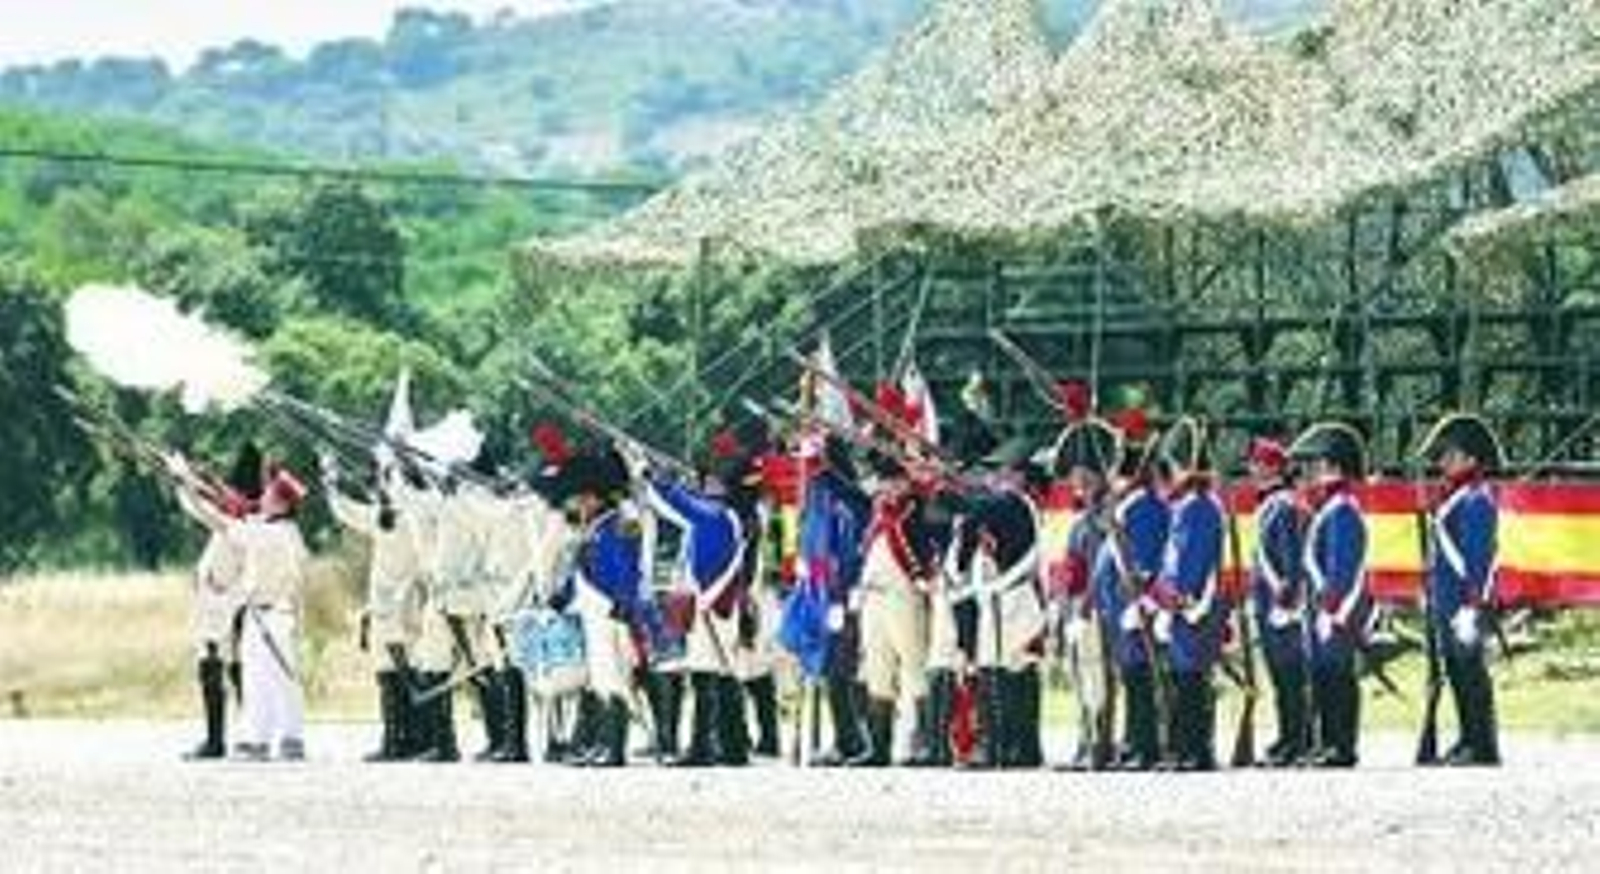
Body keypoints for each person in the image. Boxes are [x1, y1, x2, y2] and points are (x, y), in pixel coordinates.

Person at [172, 457, 311, 762]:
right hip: (265, 615)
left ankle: (282, 739)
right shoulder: (281, 529)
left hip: (270, 614)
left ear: (283, 505)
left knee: (272, 681)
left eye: (271, 495)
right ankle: (266, 740)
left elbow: (219, 521)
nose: (264, 497)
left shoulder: (271, 532)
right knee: (264, 681)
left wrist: (186, 483)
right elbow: (230, 509)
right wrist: (197, 484)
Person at [323, 452, 427, 763]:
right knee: (406, 671)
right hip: (410, 604)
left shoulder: (392, 518)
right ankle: (410, 738)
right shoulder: (418, 513)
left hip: (391, 606)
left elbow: (344, 510)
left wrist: (330, 480)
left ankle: (397, 741)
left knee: (391, 672)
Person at [1418, 413, 1504, 766]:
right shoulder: (1456, 498)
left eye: (1451, 456)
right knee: (1456, 671)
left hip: (1465, 604)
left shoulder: (1475, 499)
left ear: (1471, 459)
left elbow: (1479, 559)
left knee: (1471, 674)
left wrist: (1473, 605)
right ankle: (1467, 738)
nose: (1443, 462)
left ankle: (1481, 744)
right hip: (1449, 602)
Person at [1288, 422, 1373, 768]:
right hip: (1324, 608)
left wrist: (1332, 607)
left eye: (1321, 463)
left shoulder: (1342, 511)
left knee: (1338, 676)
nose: (1315, 471)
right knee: (1325, 677)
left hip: (1335, 609)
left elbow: (1342, 567)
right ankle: (1328, 742)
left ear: (1336, 466)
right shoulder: (1332, 508)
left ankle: (1341, 745)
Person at [1093, 415, 1170, 771]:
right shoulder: (1125, 506)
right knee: (1130, 676)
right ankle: (1133, 741)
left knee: (1141, 678)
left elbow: (1147, 561)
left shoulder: (1146, 507)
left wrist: (1141, 598)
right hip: (1118, 605)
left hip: (1134, 604)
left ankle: (1146, 745)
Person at [1150, 417, 1226, 772]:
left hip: (1193, 604)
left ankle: (1196, 750)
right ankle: (1184, 748)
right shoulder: (1188, 505)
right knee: (1182, 677)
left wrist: (1179, 595)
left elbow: (1192, 558)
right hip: (1178, 602)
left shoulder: (1199, 506)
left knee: (1192, 677)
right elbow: (1172, 556)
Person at [180, 443, 260, 761]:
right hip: (222, 604)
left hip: (221, 606)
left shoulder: (237, 523)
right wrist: (192, 481)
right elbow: (207, 504)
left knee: (216, 668)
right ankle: (243, 735)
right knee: (231, 669)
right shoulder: (244, 518)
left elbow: (199, 509)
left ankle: (220, 741)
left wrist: (183, 480)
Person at [1049, 417, 1121, 770]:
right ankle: (1087, 738)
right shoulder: (1082, 519)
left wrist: (1085, 607)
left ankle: (1100, 742)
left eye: (1079, 473)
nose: (1074, 481)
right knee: (1084, 676)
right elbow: (1072, 564)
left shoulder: (1109, 514)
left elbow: (1103, 566)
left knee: (1099, 676)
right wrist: (1064, 606)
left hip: (1101, 606)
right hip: (1080, 606)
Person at [1244, 437, 1310, 768]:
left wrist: (1287, 597)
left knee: (1289, 676)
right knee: (1280, 676)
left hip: (1281, 605)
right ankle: (1289, 737)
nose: (1251, 469)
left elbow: (1291, 557)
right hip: (1269, 603)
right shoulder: (1271, 505)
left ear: (1271, 467)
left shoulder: (1282, 505)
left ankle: (1296, 739)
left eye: (1256, 463)